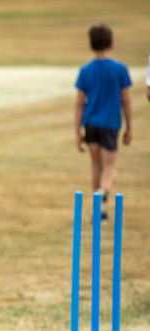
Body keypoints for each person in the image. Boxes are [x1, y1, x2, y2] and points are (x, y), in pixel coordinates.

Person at [74, 23, 132, 221]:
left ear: (90, 46)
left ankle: (100, 210)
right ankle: (103, 192)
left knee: (96, 166)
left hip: (90, 123)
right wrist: (129, 127)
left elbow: (79, 103)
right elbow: (126, 100)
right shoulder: (120, 69)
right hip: (110, 123)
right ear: (111, 43)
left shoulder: (85, 70)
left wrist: (76, 131)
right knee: (109, 167)